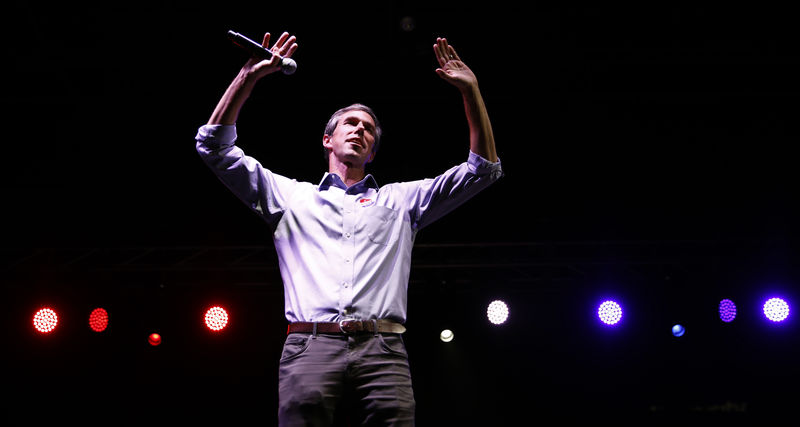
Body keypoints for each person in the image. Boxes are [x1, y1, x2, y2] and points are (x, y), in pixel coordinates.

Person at [195, 30, 502, 426]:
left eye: (369, 128)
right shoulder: (291, 197)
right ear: (328, 139)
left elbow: (483, 171)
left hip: (383, 346)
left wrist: (471, 92)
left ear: (372, 151)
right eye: (351, 124)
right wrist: (247, 77)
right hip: (310, 343)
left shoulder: (400, 200)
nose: (360, 129)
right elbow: (213, 147)